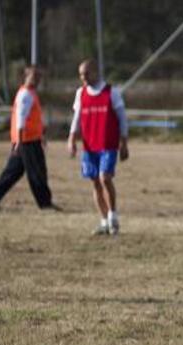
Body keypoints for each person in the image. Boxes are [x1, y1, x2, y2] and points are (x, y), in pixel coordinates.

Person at [67, 59, 129, 235]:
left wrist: (124, 142)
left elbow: (123, 118)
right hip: (89, 146)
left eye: (86, 73)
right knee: (95, 182)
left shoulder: (112, 92)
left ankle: (113, 216)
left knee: (105, 178)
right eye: (80, 74)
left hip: (108, 145)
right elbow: (77, 118)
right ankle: (103, 221)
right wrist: (71, 138)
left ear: (96, 72)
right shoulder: (81, 93)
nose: (83, 77)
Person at [0, 66, 57, 210]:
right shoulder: (26, 95)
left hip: (28, 139)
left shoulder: (29, 93)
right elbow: (21, 119)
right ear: (26, 77)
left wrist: (40, 135)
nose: (37, 80)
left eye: (38, 77)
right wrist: (19, 141)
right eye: (34, 77)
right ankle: (45, 203)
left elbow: (33, 119)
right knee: (37, 172)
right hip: (27, 140)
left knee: (13, 171)